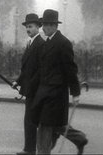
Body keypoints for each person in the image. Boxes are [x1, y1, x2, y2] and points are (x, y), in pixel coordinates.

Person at [31, 9, 88, 154]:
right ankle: (79, 139)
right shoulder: (46, 42)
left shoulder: (63, 43)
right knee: (56, 126)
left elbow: (70, 70)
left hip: (55, 95)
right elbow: (41, 70)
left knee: (45, 127)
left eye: (46, 25)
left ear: (54, 26)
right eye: (43, 25)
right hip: (45, 94)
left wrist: (75, 93)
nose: (43, 28)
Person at [11, 13, 45, 155]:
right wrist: (18, 82)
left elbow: (40, 70)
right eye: (26, 27)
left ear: (38, 27)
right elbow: (27, 69)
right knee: (30, 120)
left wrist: (28, 86)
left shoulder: (40, 44)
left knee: (36, 121)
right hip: (31, 89)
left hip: (36, 90)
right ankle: (29, 149)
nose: (28, 29)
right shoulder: (31, 43)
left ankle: (30, 149)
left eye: (30, 26)